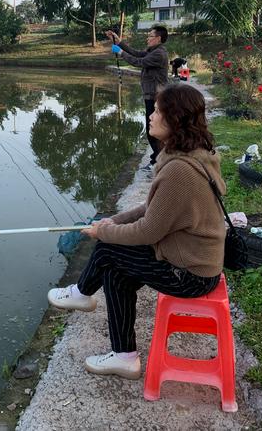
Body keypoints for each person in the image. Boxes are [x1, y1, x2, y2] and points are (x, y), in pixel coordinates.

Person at [48, 83, 225, 380]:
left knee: (108, 249)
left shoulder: (180, 170)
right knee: (116, 271)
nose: (151, 117)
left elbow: (148, 231)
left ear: (175, 119)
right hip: (190, 261)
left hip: (191, 275)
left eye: (157, 111)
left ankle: (80, 293)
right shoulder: (190, 154)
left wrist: (104, 233)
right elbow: (150, 208)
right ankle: (124, 356)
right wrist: (112, 221)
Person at [107, 25, 168, 169]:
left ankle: (158, 160)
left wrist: (120, 52)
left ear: (158, 38)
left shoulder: (159, 54)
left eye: (150, 36)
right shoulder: (152, 51)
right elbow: (136, 53)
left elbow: (138, 62)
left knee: (153, 130)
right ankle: (158, 158)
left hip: (156, 96)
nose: (148, 38)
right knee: (151, 129)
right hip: (151, 95)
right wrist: (118, 41)